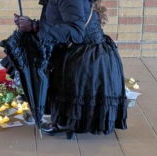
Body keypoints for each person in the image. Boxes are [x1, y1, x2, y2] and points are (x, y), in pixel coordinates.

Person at [14, 0, 127, 139]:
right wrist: (31, 24)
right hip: (78, 51)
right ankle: (65, 119)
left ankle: (67, 123)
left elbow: (77, 33)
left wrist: (35, 26)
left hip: (87, 59)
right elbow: (58, 21)